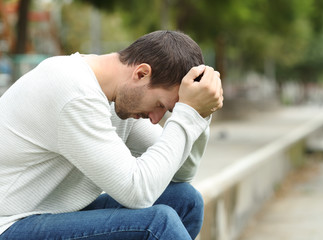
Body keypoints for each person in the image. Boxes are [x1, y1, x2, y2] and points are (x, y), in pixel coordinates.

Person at [0, 30, 223, 239]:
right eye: (159, 105)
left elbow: (179, 174)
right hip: (9, 224)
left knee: (185, 200)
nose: (156, 119)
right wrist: (187, 114)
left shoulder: (120, 99)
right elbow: (138, 192)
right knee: (157, 224)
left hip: (47, 213)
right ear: (142, 73)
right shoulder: (75, 93)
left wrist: (199, 114)